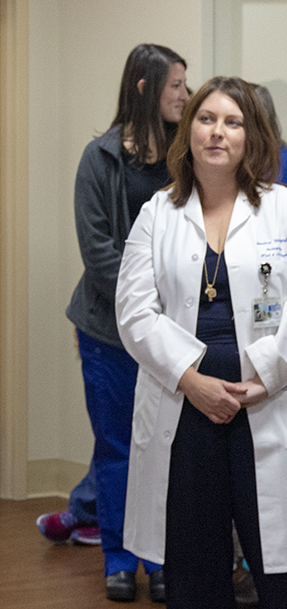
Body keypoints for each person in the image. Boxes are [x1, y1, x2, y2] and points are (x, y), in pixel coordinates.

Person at [117, 76, 287, 609]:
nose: (217, 132)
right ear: (187, 131)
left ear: (251, 136)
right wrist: (190, 381)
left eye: (232, 122)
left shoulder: (282, 209)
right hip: (185, 409)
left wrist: (267, 378)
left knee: (277, 565)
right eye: (206, 119)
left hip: (266, 402)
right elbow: (134, 312)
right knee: (194, 569)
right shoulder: (157, 213)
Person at [63, 43, 188, 602]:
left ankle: (159, 559)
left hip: (175, 331)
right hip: (109, 330)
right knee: (116, 446)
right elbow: (99, 253)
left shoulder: (186, 156)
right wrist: (149, 306)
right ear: (144, 88)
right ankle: (119, 559)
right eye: (176, 86)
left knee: (164, 448)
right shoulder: (100, 157)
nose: (186, 96)